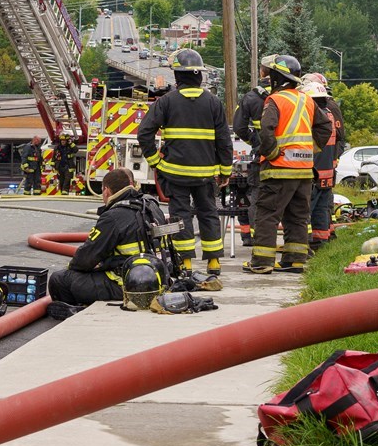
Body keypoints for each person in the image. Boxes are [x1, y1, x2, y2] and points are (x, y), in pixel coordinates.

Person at [137, 48, 232, 290]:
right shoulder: (213, 102)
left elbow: (144, 133)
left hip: (176, 173)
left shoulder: (166, 102)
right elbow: (224, 140)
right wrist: (225, 171)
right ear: (199, 75)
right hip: (205, 175)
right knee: (208, 213)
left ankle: (186, 264)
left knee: (181, 217)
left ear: (177, 76)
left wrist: (155, 162)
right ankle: (213, 263)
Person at [244, 55, 333, 274]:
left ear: (276, 76)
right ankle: (295, 260)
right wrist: (309, 150)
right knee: (297, 217)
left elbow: (266, 130)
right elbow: (325, 128)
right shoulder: (306, 100)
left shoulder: (275, 100)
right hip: (303, 172)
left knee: (267, 215)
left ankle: (262, 262)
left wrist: (272, 152)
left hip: (279, 170)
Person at [45, 167, 169, 308]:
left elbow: (85, 259)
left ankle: (74, 310)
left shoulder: (112, 217)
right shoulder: (151, 206)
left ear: (106, 190)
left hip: (126, 286)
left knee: (59, 279)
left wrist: (73, 267)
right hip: (158, 280)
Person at [301, 73, 346, 250]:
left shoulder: (313, 115)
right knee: (321, 207)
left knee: (307, 209)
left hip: (313, 170)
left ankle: (308, 242)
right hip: (327, 170)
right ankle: (321, 240)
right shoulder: (328, 114)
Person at [231, 71, 268, 250]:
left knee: (258, 199)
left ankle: (258, 242)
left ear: (261, 74)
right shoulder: (294, 97)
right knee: (292, 202)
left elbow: (239, 127)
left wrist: (255, 141)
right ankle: (298, 248)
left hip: (262, 157)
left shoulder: (251, 98)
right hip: (291, 160)